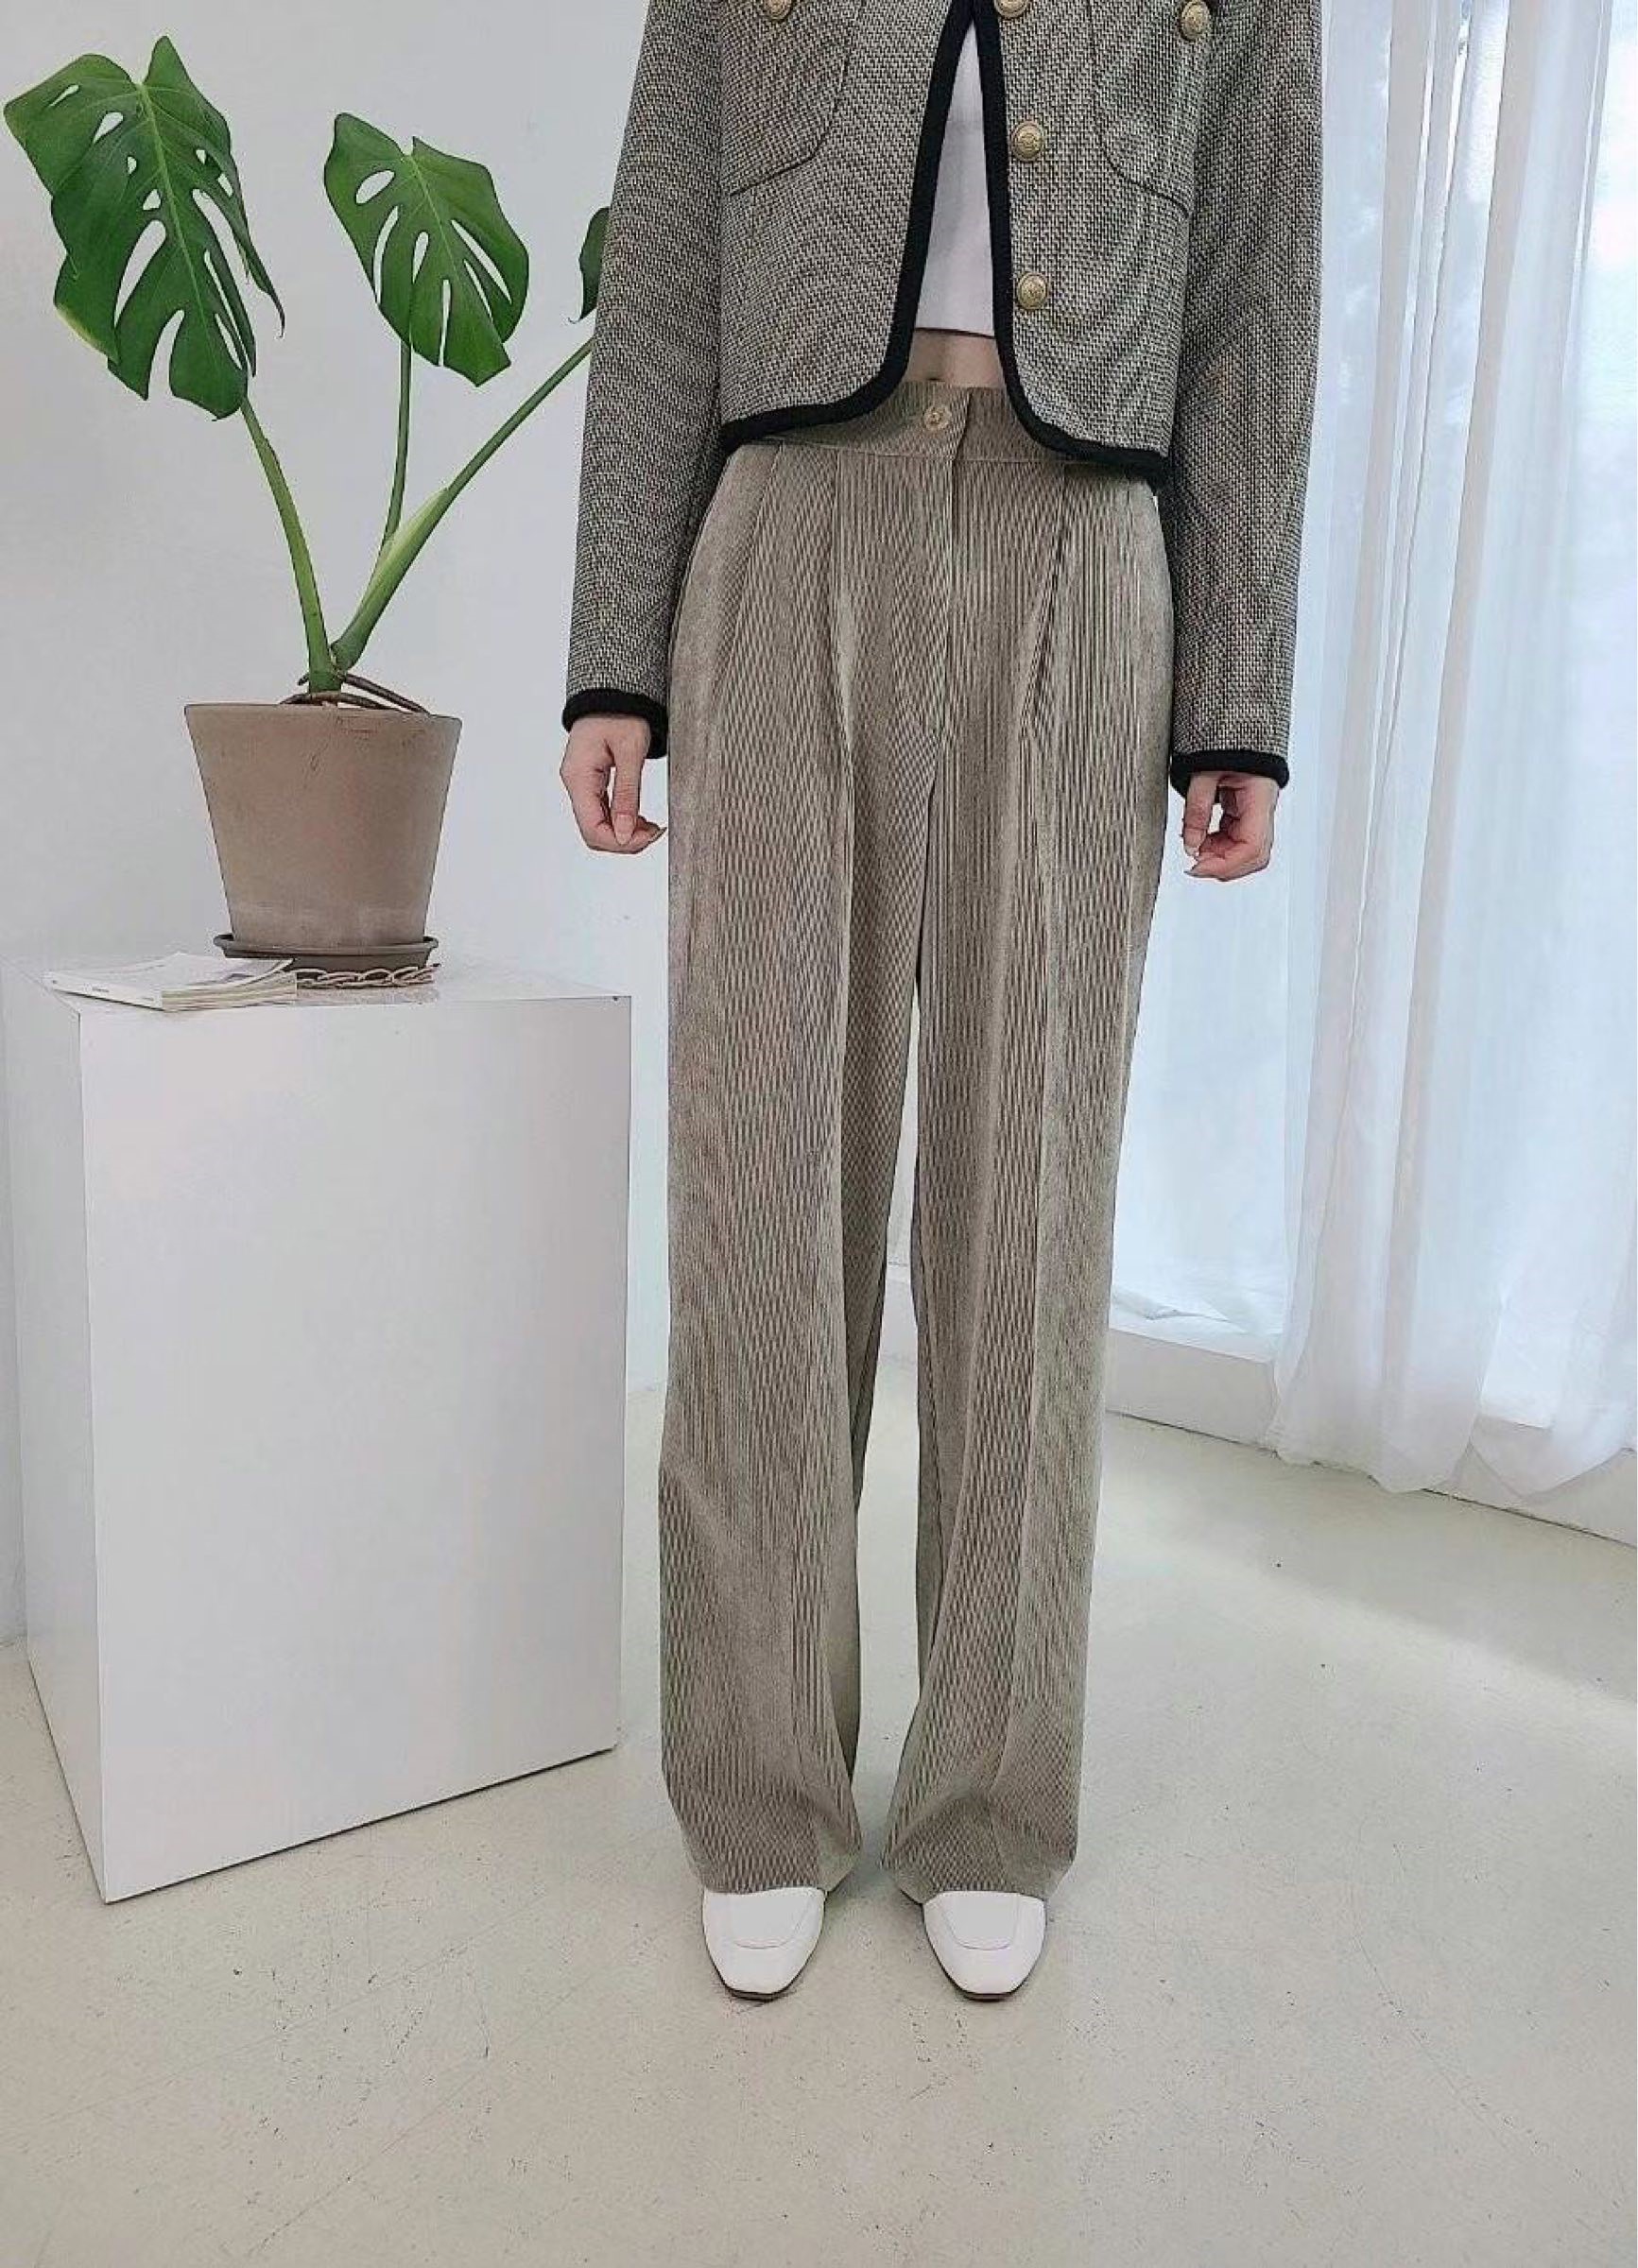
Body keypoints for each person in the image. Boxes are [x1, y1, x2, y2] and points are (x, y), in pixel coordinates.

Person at [560, 0, 1320, 2001]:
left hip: (1090, 545)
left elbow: (1252, 303)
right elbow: (666, 267)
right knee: (758, 1181)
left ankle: (988, 1798)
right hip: (786, 515)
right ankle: (759, 1789)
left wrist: (1237, 692)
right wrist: (615, 656)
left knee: (1028, 1201)